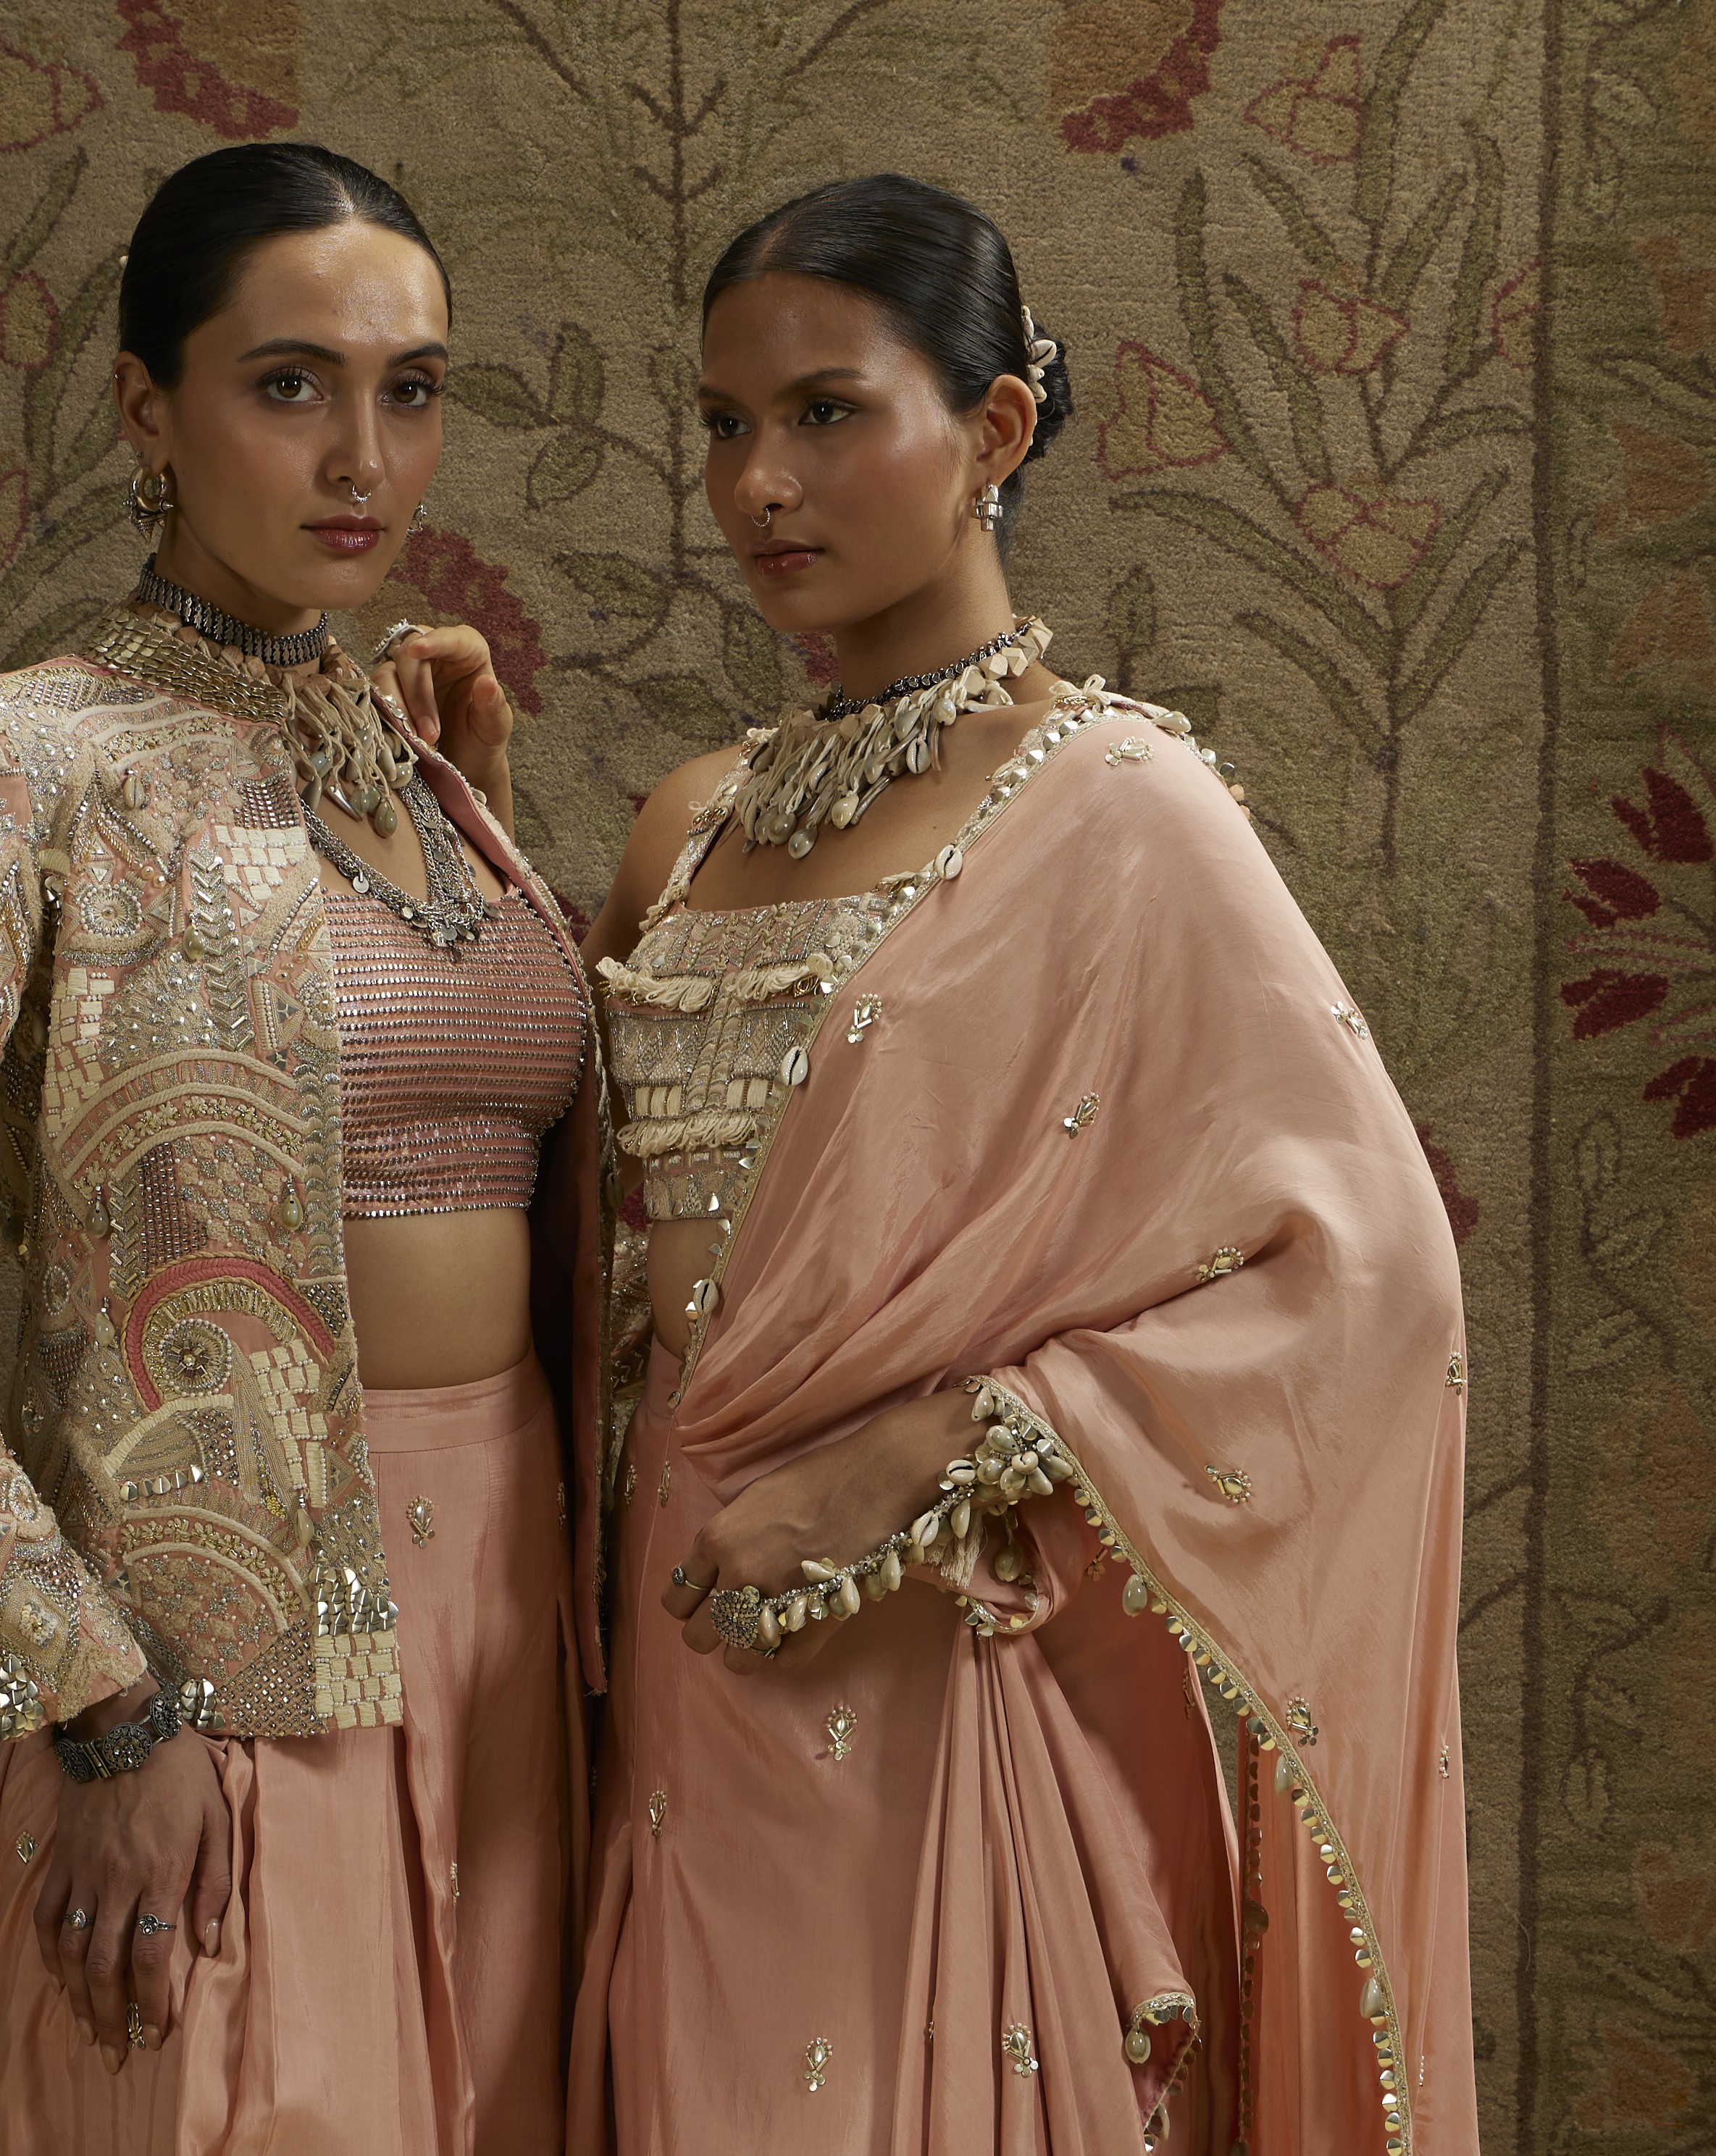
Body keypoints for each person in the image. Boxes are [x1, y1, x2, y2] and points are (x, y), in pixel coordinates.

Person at [567, 174, 1476, 2155]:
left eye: (826, 412)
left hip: (933, 1673)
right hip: (681, 1664)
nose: (755, 485)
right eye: (724, 424)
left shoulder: (1122, 809)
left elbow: (1366, 1272)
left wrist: (930, 1445)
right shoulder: (689, 829)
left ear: (992, 430)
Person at [0, 143, 590, 2156]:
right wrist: (100, 1691)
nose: (363, 456)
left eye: (411, 390)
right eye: (289, 385)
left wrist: (474, 803)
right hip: (217, 1657)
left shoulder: (417, 763)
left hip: (522, 1632)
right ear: (144, 406)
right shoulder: (12, 758)